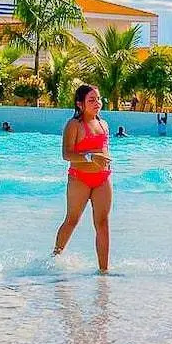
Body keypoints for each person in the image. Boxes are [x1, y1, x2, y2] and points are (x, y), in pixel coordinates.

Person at [53, 85, 113, 273]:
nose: (97, 103)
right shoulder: (74, 125)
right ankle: (54, 259)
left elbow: (104, 149)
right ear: (80, 104)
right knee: (72, 220)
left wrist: (104, 161)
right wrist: (90, 157)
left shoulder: (104, 124)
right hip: (79, 179)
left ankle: (104, 271)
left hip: (102, 178)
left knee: (102, 223)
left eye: (98, 99)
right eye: (91, 100)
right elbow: (66, 154)